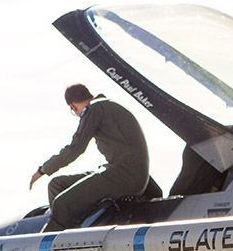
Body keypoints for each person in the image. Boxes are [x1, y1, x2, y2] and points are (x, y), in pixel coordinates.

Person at [30, 84, 150, 232]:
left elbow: (75, 149)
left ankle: (49, 245)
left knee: (62, 203)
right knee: (56, 184)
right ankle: (70, 228)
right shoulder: (107, 106)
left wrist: (43, 170)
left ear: (73, 107)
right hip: (127, 173)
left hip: (124, 175)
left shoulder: (94, 110)